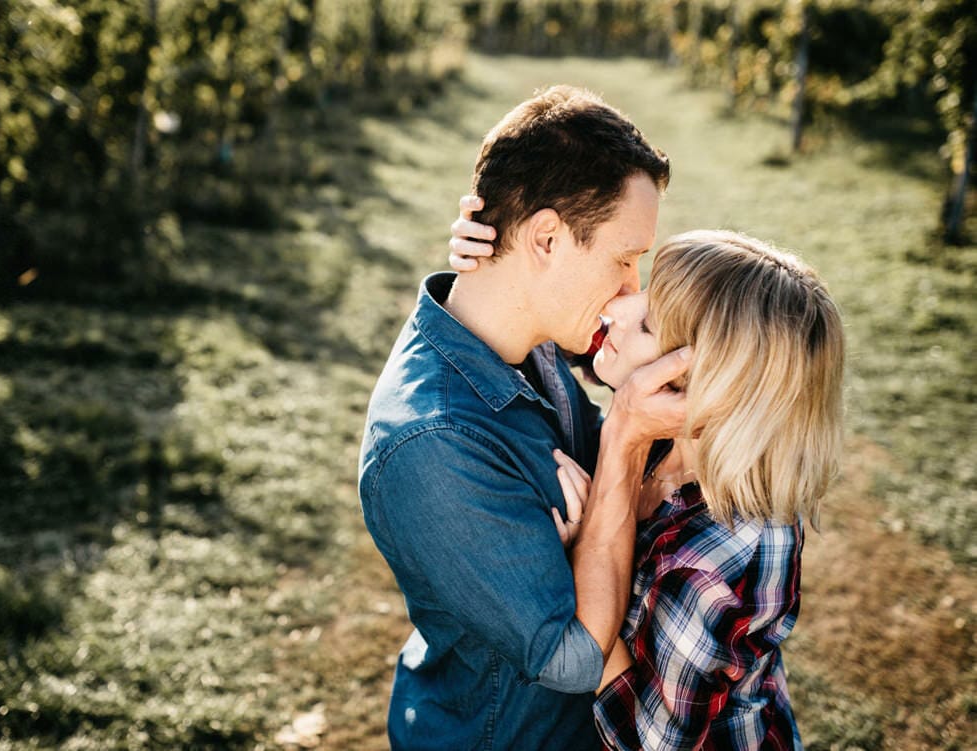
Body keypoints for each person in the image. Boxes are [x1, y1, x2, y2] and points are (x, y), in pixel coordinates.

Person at [358, 85, 688, 749]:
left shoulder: (526, 338)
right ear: (545, 237)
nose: (632, 288)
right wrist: (623, 441)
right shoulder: (434, 443)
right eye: (624, 258)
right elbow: (575, 661)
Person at [453, 227, 845, 749]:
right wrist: (500, 256)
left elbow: (649, 740)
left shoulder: (716, 563)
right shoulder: (669, 437)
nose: (617, 307)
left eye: (648, 323)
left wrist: (573, 574)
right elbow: (563, 337)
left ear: (706, 385)